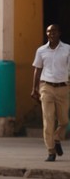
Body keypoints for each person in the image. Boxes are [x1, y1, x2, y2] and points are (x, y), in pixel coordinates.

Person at [30, 24, 70, 162]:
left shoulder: (67, 49)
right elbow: (37, 69)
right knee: (48, 119)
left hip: (63, 87)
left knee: (64, 120)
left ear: (59, 33)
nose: (51, 33)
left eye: (53, 31)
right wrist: (34, 88)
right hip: (46, 87)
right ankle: (51, 150)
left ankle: (57, 137)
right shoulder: (41, 51)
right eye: (48, 31)